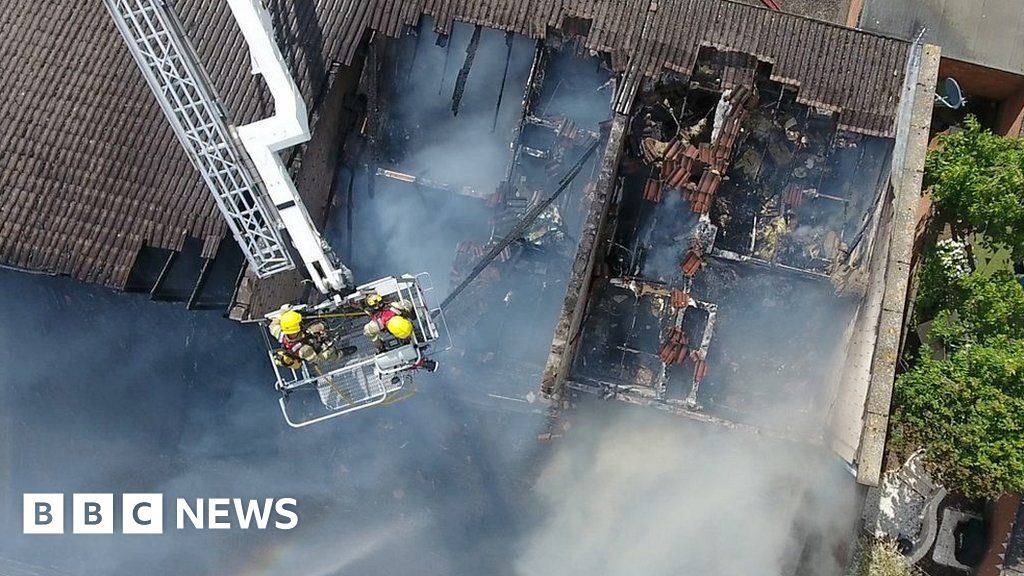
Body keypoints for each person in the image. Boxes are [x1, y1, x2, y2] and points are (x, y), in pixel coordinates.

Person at [362, 293, 438, 372]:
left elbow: (369, 333)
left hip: (404, 329)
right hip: (408, 326)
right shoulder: (394, 306)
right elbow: (407, 304)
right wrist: (412, 315)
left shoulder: (375, 324)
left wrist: (379, 346)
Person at [269, 308, 341, 367]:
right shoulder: (304, 350)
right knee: (335, 355)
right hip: (319, 346)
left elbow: (273, 325)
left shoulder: (280, 334)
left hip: (314, 334)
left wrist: (283, 313)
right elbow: (318, 360)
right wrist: (330, 350)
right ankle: (340, 354)